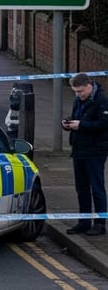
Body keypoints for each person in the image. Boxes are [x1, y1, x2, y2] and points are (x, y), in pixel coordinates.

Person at [64, 72, 108, 235]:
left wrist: (80, 125)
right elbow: (77, 117)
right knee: (81, 189)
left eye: (80, 91)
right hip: (79, 149)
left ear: (89, 86)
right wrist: (68, 123)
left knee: (97, 188)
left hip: (96, 150)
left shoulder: (102, 101)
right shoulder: (78, 100)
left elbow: (103, 124)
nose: (78, 94)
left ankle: (100, 224)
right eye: (75, 92)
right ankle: (84, 222)